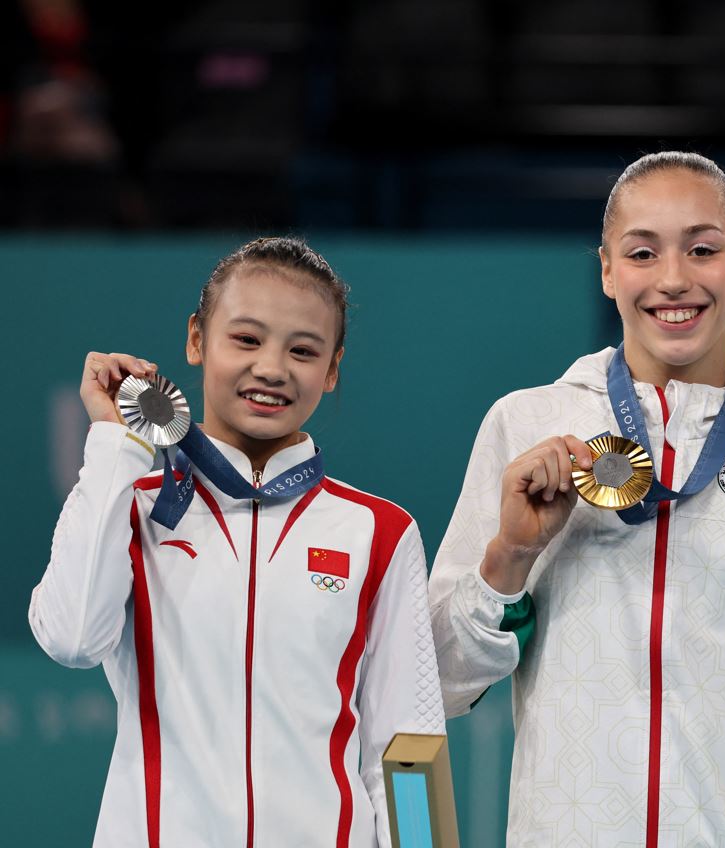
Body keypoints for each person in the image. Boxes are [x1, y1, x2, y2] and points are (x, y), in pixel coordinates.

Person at [429, 151, 725, 846]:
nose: (675, 279)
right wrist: (510, 555)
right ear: (607, 269)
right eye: (643, 253)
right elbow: (444, 682)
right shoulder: (525, 427)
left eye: (703, 249)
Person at [29, 237, 444, 848]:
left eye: (303, 351)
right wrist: (116, 445)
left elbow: (410, 744)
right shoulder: (133, 503)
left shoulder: (378, 532)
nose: (272, 368)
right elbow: (70, 639)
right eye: (246, 339)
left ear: (331, 370)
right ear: (196, 339)